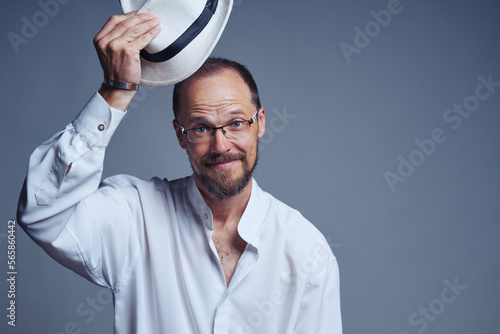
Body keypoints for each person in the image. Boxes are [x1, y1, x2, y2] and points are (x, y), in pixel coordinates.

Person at [17, 11, 342, 334]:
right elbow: (43, 211)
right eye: (201, 128)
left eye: (236, 123)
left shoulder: (307, 252)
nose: (221, 144)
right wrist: (115, 91)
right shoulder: (134, 217)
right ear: (179, 134)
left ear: (262, 123)